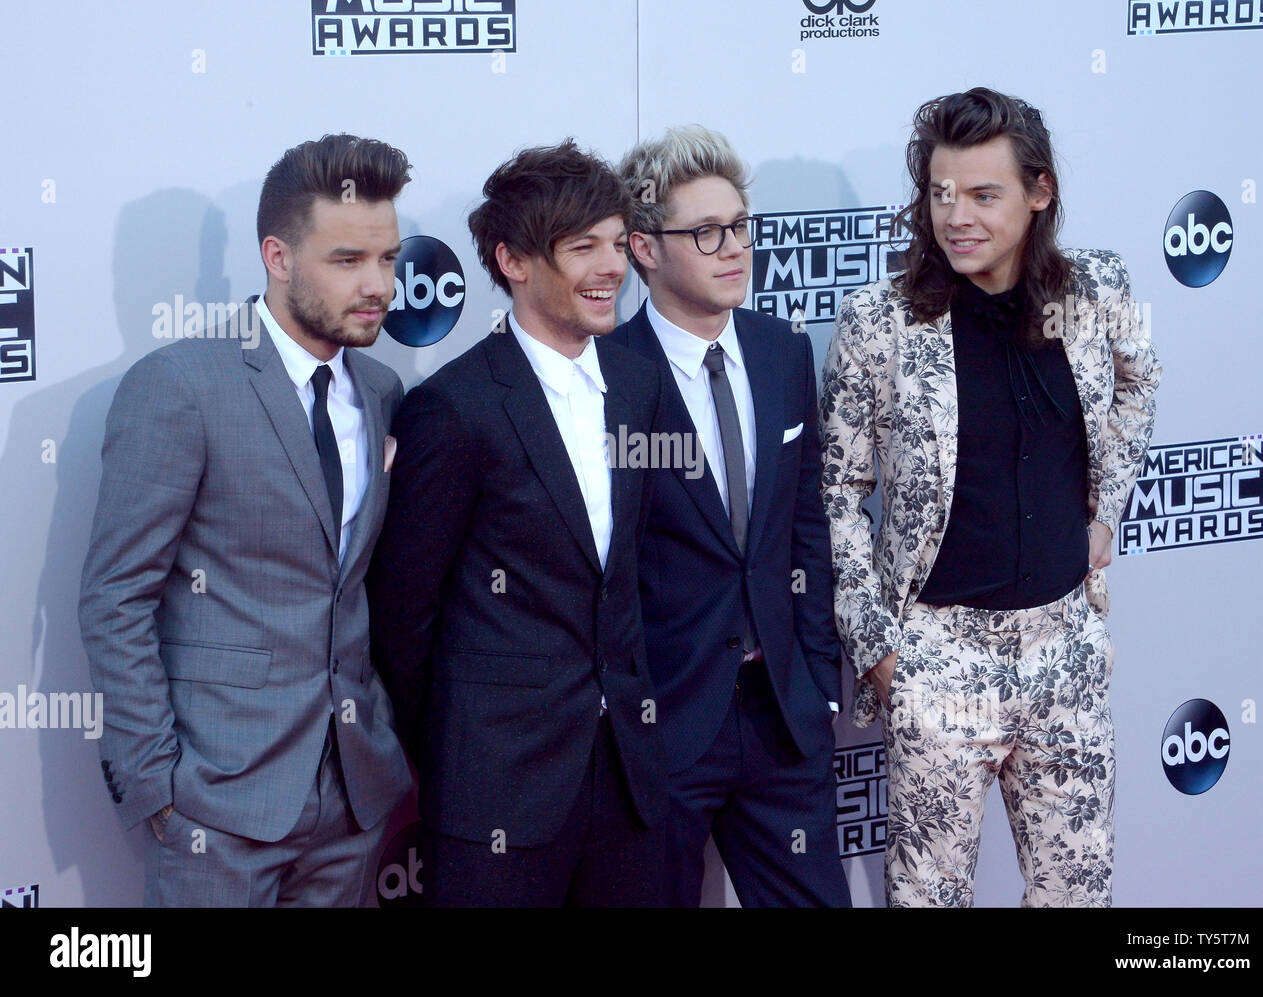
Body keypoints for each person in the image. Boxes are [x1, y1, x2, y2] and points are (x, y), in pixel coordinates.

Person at [820, 88, 1161, 907]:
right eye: (940, 193)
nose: (956, 216)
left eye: (982, 193)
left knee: (1079, 897)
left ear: (1039, 192)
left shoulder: (1100, 287)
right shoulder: (881, 320)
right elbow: (836, 490)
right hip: (938, 655)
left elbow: (1139, 380)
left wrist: (1104, 510)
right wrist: (882, 652)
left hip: (1067, 649)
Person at [79, 134, 414, 906]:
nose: (378, 286)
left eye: (388, 259)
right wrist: (155, 782)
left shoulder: (383, 389)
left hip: (353, 800)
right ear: (278, 255)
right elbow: (114, 596)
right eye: (347, 260)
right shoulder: (180, 385)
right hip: (215, 804)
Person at [367, 140, 668, 907]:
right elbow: (405, 616)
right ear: (514, 261)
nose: (611, 266)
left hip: (629, 781)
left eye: (614, 241)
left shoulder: (637, 385)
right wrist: (461, 752)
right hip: (495, 792)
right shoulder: (455, 408)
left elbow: (630, 576)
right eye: (582, 247)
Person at [613, 126, 849, 907]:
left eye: (741, 227)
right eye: (706, 232)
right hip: (667, 722)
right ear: (644, 249)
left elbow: (806, 527)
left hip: (782, 712)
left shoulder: (783, 349)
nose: (733, 249)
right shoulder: (609, 376)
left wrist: (817, 678)